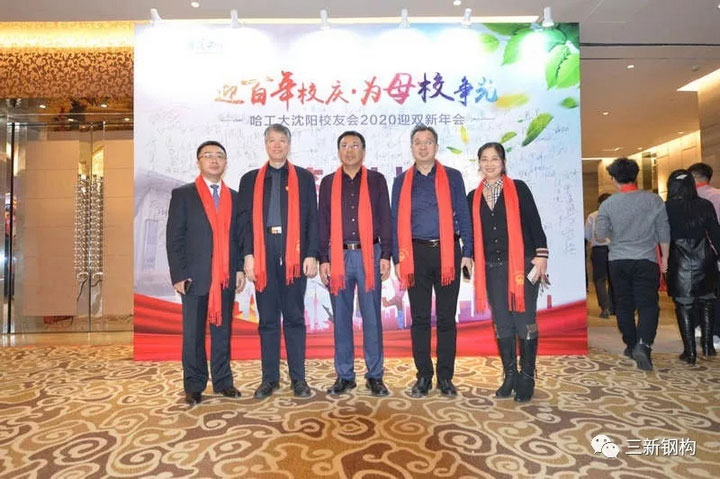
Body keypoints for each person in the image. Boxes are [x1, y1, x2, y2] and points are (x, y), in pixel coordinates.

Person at [391, 125, 474, 397]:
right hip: (415, 255)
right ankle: (424, 376)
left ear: (436, 147)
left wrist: (468, 252)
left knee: (447, 318)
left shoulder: (452, 177)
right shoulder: (401, 181)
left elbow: (463, 214)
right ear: (412, 148)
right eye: (418, 142)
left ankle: (445, 377)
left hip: (448, 253)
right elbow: (395, 221)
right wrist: (397, 258)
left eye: (428, 142)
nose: (423, 146)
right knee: (420, 318)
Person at [237, 124, 319, 399]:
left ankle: (299, 379)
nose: (277, 145)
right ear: (265, 144)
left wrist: (311, 254)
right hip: (263, 254)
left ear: (289, 144)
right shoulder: (250, 179)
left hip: (294, 253)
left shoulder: (303, 178)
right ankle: (269, 379)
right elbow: (244, 222)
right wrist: (248, 254)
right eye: (272, 140)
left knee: (294, 318)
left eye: (282, 140)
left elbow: (312, 218)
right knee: (268, 320)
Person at [467, 142, 548, 403]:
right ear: (479, 163)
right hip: (491, 268)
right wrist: (466, 256)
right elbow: (470, 234)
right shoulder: (472, 197)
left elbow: (534, 222)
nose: (489, 164)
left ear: (503, 162)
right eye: (484, 159)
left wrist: (541, 256)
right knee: (502, 321)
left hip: (521, 265)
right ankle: (510, 375)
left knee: (524, 320)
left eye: (495, 159)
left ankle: (527, 376)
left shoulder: (519, 188)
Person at [166, 140, 245, 405]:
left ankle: (223, 382)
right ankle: (194, 384)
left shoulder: (235, 197)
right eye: (208, 155)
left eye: (219, 156)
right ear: (198, 161)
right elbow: (174, 237)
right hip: (194, 277)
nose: (214, 160)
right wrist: (179, 274)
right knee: (193, 335)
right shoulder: (183, 195)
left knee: (223, 333)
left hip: (225, 276)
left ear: (225, 162)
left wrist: (238, 269)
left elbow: (239, 238)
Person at [318, 131, 392, 397]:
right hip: (338, 256)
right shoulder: (328, 182)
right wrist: (323, 258)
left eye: (355, 145)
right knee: (341, 317)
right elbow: (323, 221)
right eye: (344, 146)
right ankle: (345, 375)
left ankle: (375, 375)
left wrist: (386, 254)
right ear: (339, 151)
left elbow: (385, 217)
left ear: (364, 151)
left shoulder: (376, 180)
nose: (349, 150)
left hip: (369, 253)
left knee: (372, 317)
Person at [595, 157, 670, 371]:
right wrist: (665, 258)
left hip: (618, 260)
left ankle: (630, 344)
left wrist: (614, 237)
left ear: (613, 178)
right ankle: (643, 345)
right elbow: (664, 231)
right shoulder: (654, 200)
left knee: (623, 303)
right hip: (646, 260)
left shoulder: (608, 204)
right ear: (635, 176)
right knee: (648, 304)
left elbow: (600, 234)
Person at [665, 169, 720, 363]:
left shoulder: (667, 207)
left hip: (679, 259)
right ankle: (708, 346)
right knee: (707, 301)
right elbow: (715, 234)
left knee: (684, 305)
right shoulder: (705, 205)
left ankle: (690, 352)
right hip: (705, 258)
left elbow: (662, 236)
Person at [688, 162, 720, 347]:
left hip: (692, 254)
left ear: (694, 176)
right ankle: (714, 332)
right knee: (714, 293)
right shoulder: (717, 195)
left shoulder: (688, 200)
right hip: (714, 252)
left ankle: (699, 326)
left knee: (696, 292)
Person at [585, 193, 614, 318]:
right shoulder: (616, 215)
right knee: (614, 279)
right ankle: (614, 307)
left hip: (598, 250)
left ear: (599, 203)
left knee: (599, 279)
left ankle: (605, 307)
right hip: (614, 249)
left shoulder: (592, 216)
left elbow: (586, 234)